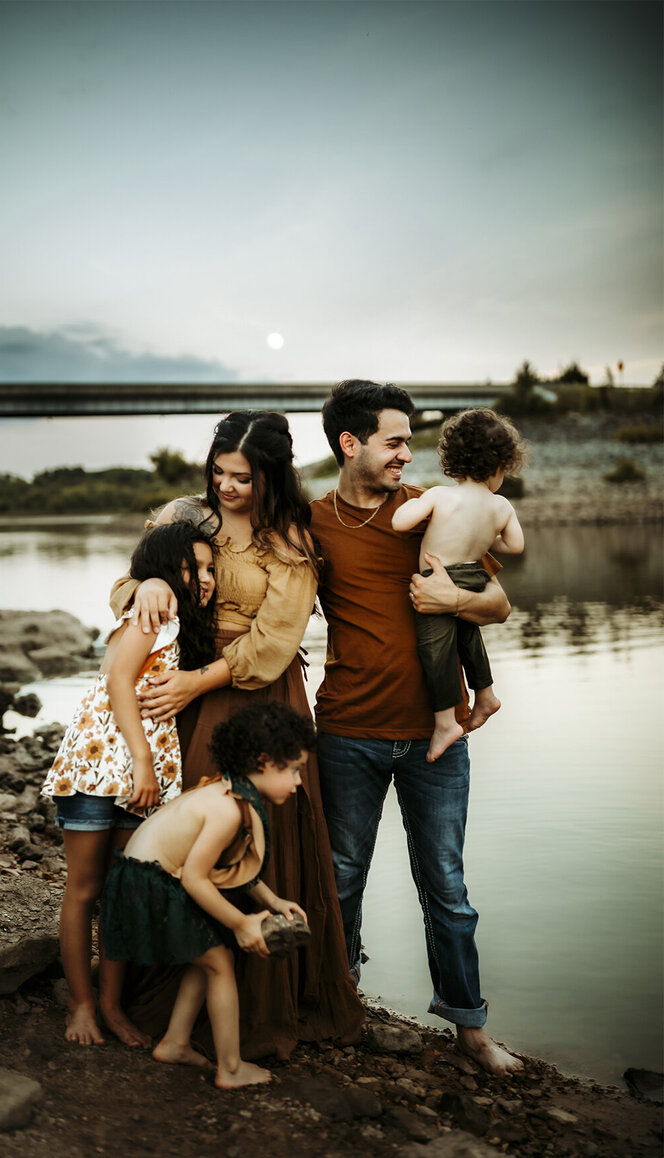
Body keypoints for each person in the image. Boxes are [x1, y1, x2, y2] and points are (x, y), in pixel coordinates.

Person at [110, 410, 364, 1059]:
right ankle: (179, 998)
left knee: (262, 832)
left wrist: (198, 683)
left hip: (258, 695)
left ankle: (267, 1004)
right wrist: (148, 584)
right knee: (199, 828)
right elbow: (127, 582)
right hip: (188, 692)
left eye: (242, 478)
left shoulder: (291, 541)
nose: (226, 487)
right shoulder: (185, 516)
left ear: (271, 476)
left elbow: (277, 641)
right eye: (219, 472)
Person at [311, 379, 523, 1075]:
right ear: (352, 443)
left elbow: (497, 603)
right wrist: (151, 575)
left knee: (447, 888)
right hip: (347, 731)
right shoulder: (313, 523)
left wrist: (450, 596)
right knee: (341, 877)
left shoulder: (429, 513)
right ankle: (342, 1001)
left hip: (438, 735)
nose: (408, 453)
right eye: (395, 440)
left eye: (409, 440)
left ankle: (469, 1028)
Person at [41, 523, 217, 1047]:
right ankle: (81, 1006)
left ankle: (114, 1006)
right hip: (101, 766)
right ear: (164, 570)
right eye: (194, 567)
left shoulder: (181, 622)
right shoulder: (153, 614)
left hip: (141, 775)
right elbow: (118, 680)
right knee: (84, 889)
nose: (205, 579)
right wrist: (143, 761)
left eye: (210, 569)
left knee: (120, 893)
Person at [101, 701, 315, 1089]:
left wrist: (272, 902)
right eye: (294, 770)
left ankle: (175, 1043)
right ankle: (230, 1068)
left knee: (209, 959)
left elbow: (229, 866)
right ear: (265, 761)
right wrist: (242, 923)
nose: (299, 781)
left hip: (144, 882)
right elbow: (197, 880)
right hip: (146, 886)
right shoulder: (227, 811)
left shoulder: (230, 792)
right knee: (219, 963)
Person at [391, 408, 526, 763]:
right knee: (468, 638)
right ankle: (486, 694)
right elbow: (514, 546)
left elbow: (402, 523)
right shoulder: (500, 505)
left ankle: (445, 722)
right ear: (499, 466)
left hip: (437, 580)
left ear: (454, 459)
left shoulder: (441, 496)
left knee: (435, 652)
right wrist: (485, 536)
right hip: (473, 577)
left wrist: (413, 508)